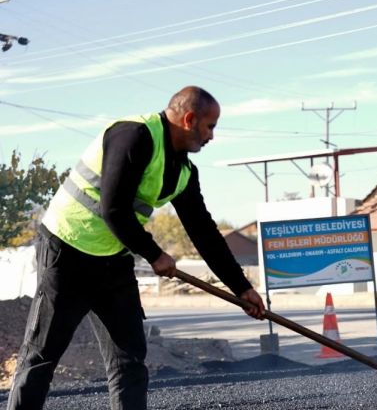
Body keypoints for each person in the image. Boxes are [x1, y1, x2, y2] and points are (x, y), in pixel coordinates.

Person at [7, 86, 266, 410]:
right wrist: (155, 254)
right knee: (42, 357)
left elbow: (205, 234)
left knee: (129, 363)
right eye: (210, 126)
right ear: (189, 119)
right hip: (67, 252)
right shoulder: (133, 136)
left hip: (114, 261)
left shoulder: (183, 172)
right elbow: (112, 209)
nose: (211, 136)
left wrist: (241, 288)